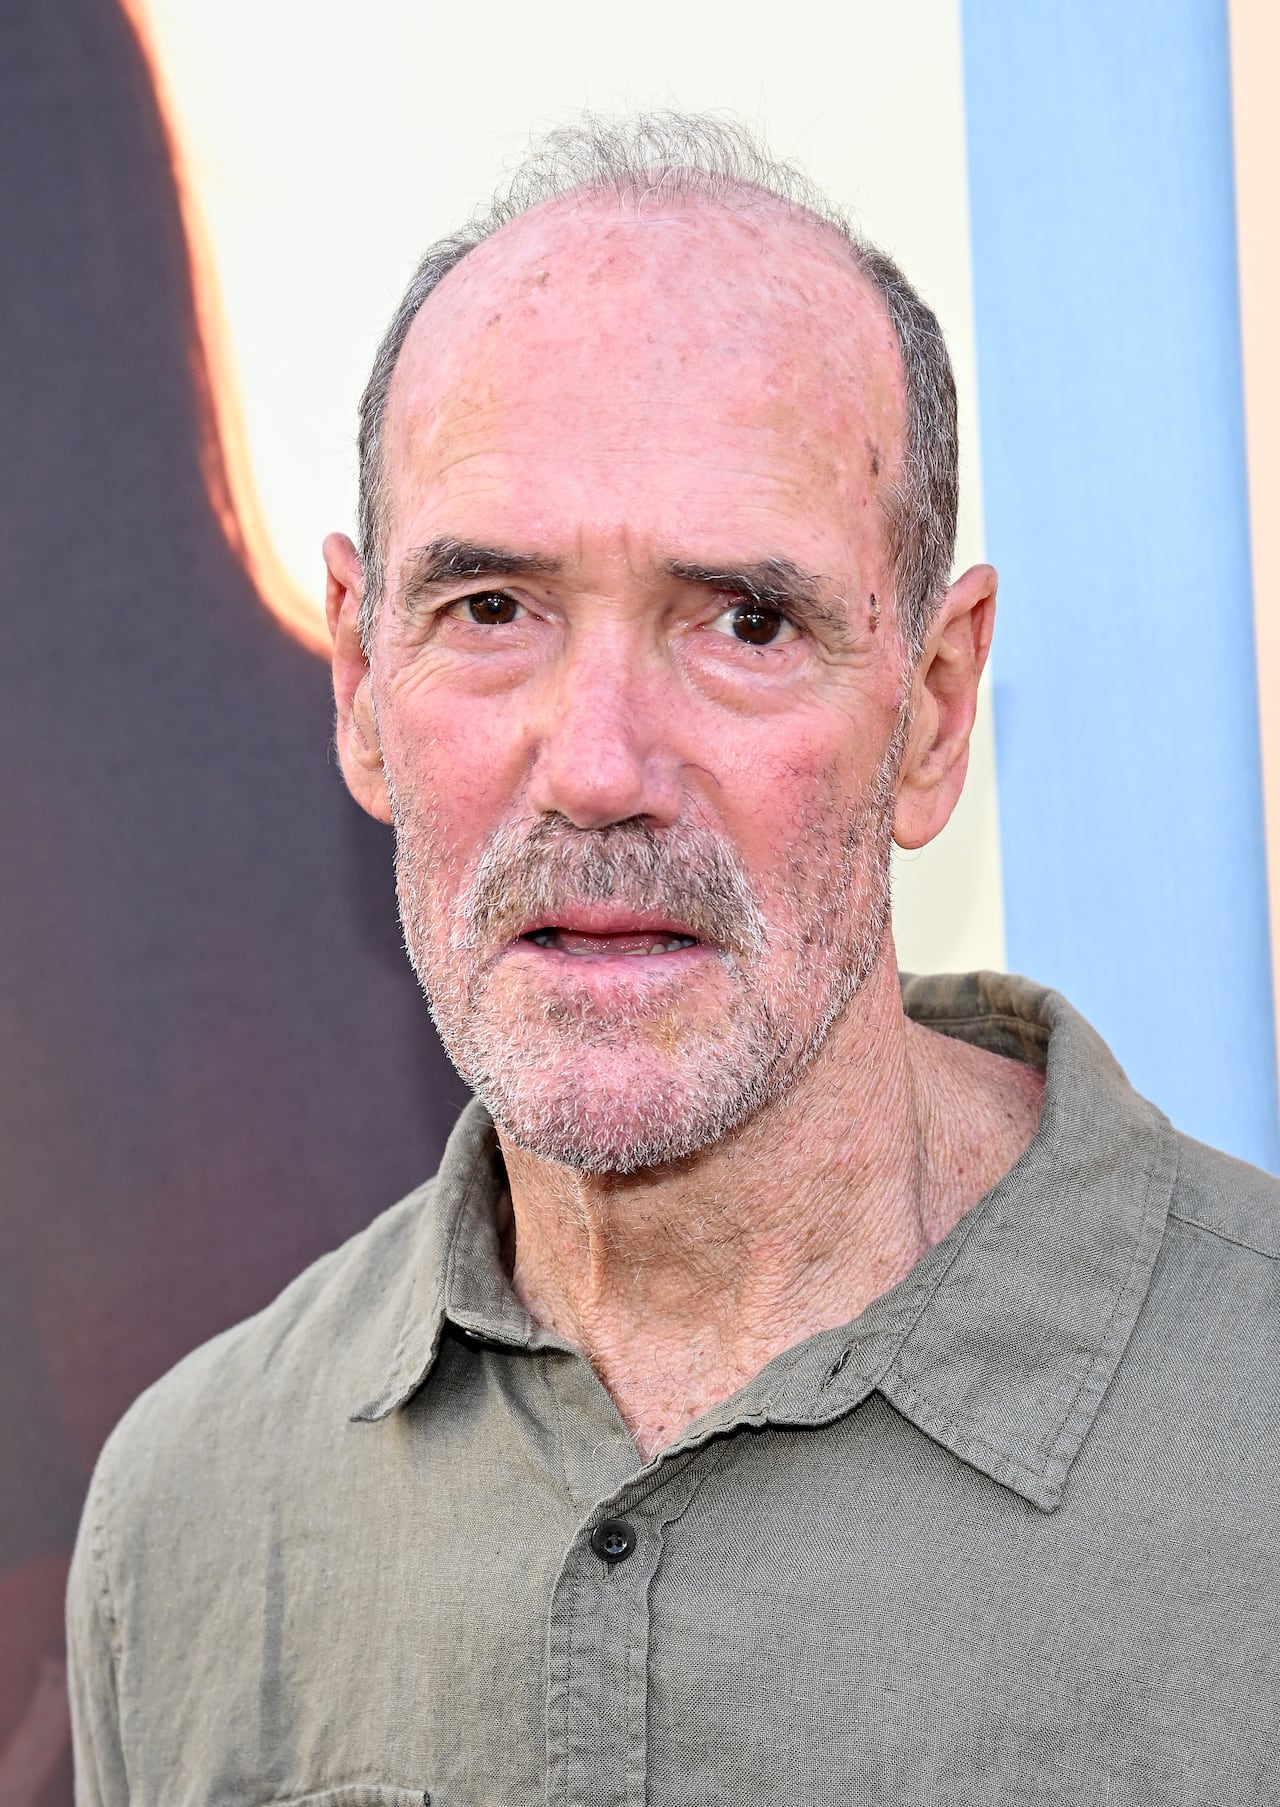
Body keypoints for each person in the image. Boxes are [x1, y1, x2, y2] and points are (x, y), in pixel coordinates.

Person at [67, 113, 1280, 1805]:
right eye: (492, 609)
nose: (599, 765)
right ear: (359, 684)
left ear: (932, 711)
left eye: (745, 620)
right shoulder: (192, 1519)